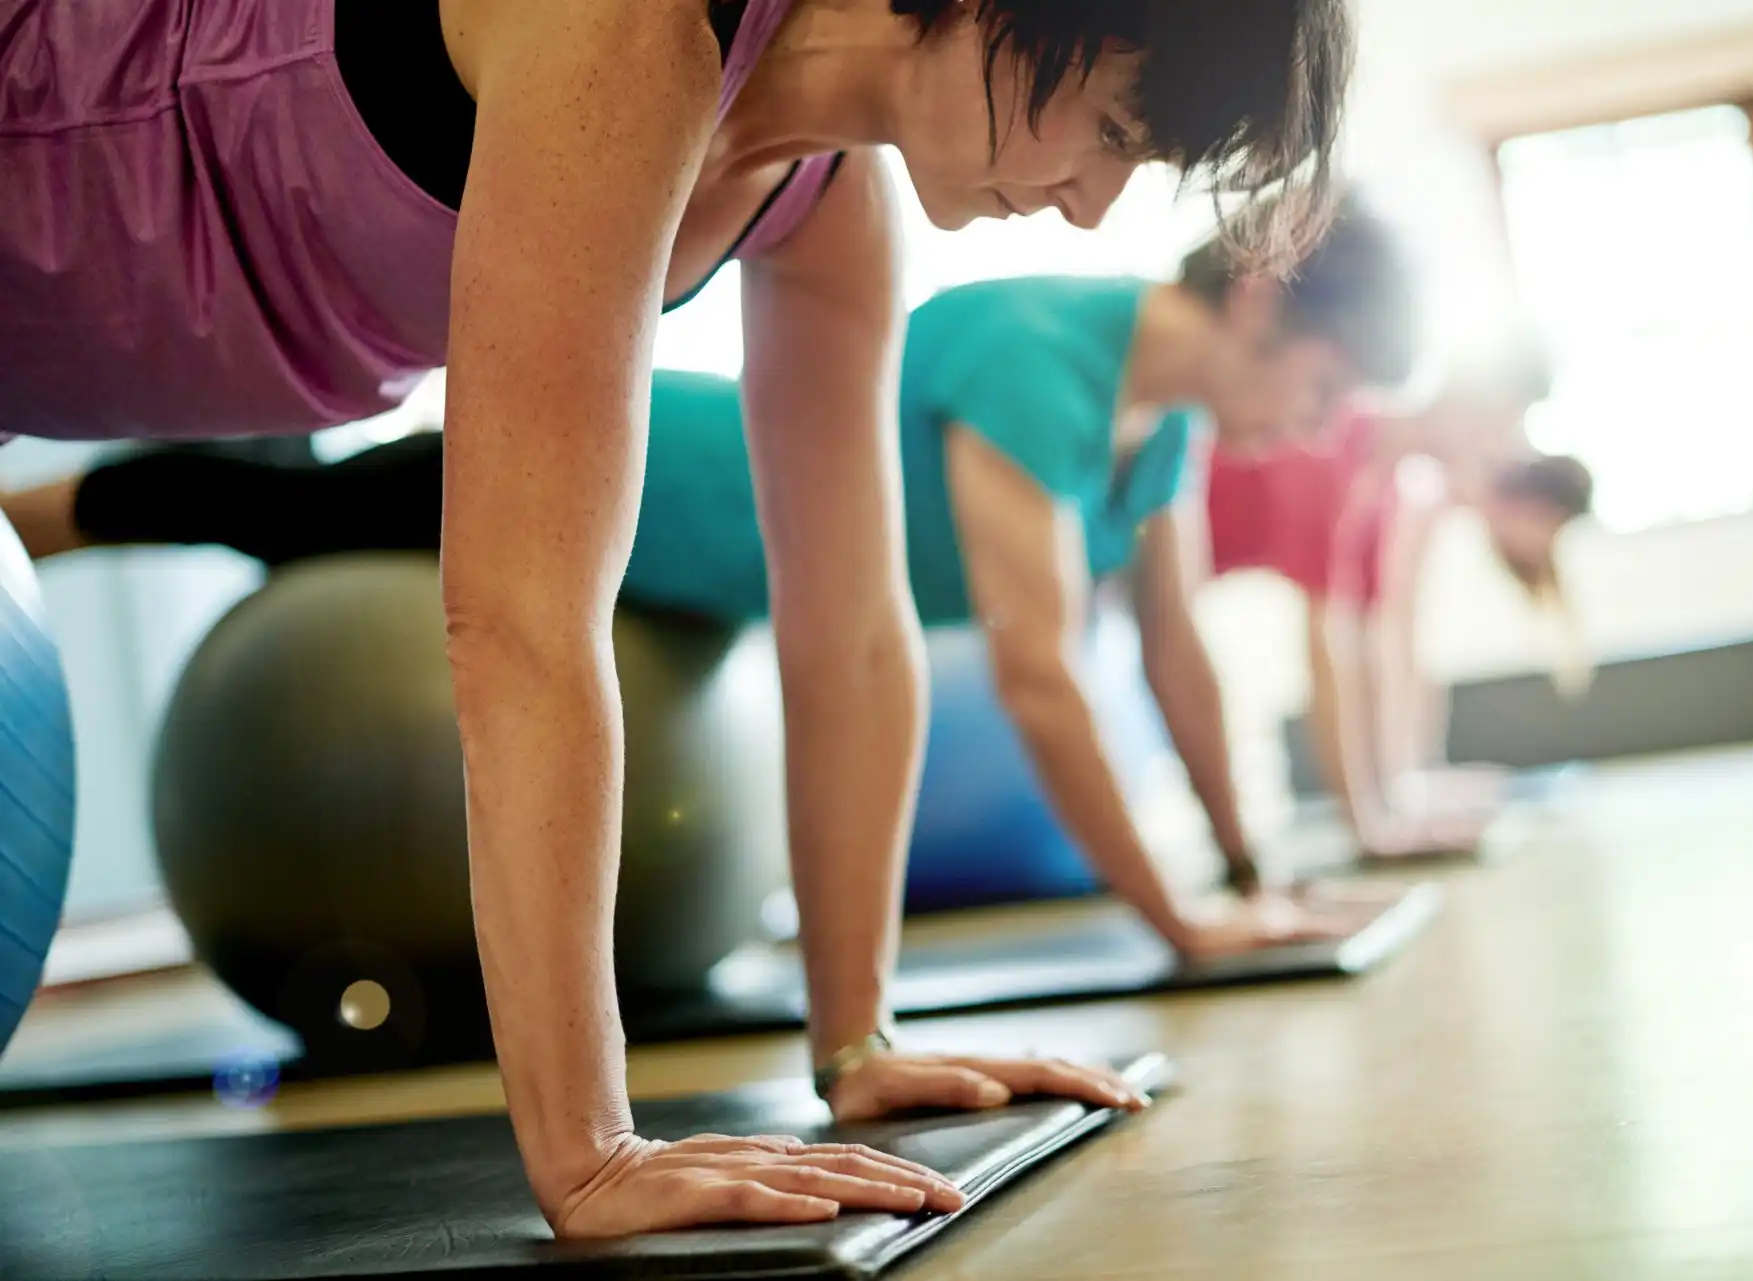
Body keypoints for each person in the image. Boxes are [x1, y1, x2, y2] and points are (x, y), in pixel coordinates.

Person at [0, 0, 1356, 1236]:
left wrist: (856, 1039)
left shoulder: (827, 202)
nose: (1091, 207)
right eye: (1115, 128)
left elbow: (853, 630)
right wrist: (590, 1149)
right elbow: (523, 621)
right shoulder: (625, 29)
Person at [6, 196, 1416, 961]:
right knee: (266, 510)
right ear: (1261, 298)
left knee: (277, 510)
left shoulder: (1158, 432)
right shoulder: (1046, 348)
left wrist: (1254, 877)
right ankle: (30, 518)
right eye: (1325, 382)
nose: (1315, 420)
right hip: (605, 469)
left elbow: (1176, 660)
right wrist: (1181, 929)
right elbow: (1040, 671)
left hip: (684, 598)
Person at [1208, 335, 1594, 860]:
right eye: (1503, 425)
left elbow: (1380, 649)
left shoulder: (1387, 491)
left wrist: (1402, 794)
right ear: (1464, 402)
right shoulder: (1335, 440)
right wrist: (1368, 825)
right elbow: (1327, 649)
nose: (1504, 450)